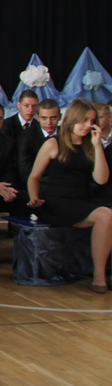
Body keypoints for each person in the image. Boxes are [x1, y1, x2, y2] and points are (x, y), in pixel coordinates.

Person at [27, 98, 112, 293]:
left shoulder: (91, 145)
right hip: (57, 203)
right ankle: (99, 276)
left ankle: (102, 272)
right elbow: (34, 177)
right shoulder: (53, 144)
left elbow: (101, 179)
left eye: (91, 121)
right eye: (84, 120)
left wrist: (98, 146)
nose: (88, 125)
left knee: (107, 213)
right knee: (106, 215)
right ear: (73, 119)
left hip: (82, 200)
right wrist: (34, 198)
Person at [18, 99, 61, 182]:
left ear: (60, 117)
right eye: (44, 118)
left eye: (53, 118)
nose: (49, 122)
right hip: (38, 183)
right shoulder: (26, 137)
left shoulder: (66, 135)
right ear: (37, 117)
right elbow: (25, 171)